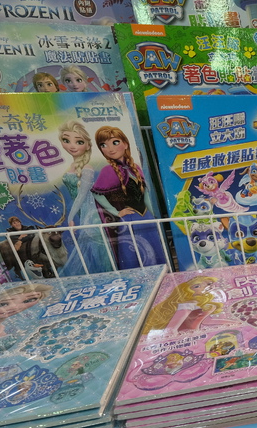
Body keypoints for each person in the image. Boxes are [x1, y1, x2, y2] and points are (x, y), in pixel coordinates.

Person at [91, 126, 163, 268]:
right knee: (133, 257)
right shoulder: (108, 170)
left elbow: (145, 195)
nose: (110, 149)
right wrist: (116, 212)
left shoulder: (135, 167)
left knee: (154, 253)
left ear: (125, 144)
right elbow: (97, 194)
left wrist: (153, 216)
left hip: (146, 217)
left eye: (115, 142)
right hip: (129, 220)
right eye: (103, 145)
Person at [58, 120, 112, 275]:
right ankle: (99, 275)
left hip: (91, 212)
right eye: (66, 140)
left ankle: (107, 274)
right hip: (82, 211)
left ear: (88, 146)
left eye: (79, 142)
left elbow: (82, 194)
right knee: (90, 246)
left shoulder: (87, 168)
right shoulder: (71, 167)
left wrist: (71, 217)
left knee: (97, 247)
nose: (72, 146)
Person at [141, 276, 233, 334]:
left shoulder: (201, 302)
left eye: (209, 284)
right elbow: (171, 329)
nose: (206, 287)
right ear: (187, 290)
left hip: (195, 334)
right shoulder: (187, 305)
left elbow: (206, 321)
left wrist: (232, 323)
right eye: (197, 286)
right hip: (185, 336)